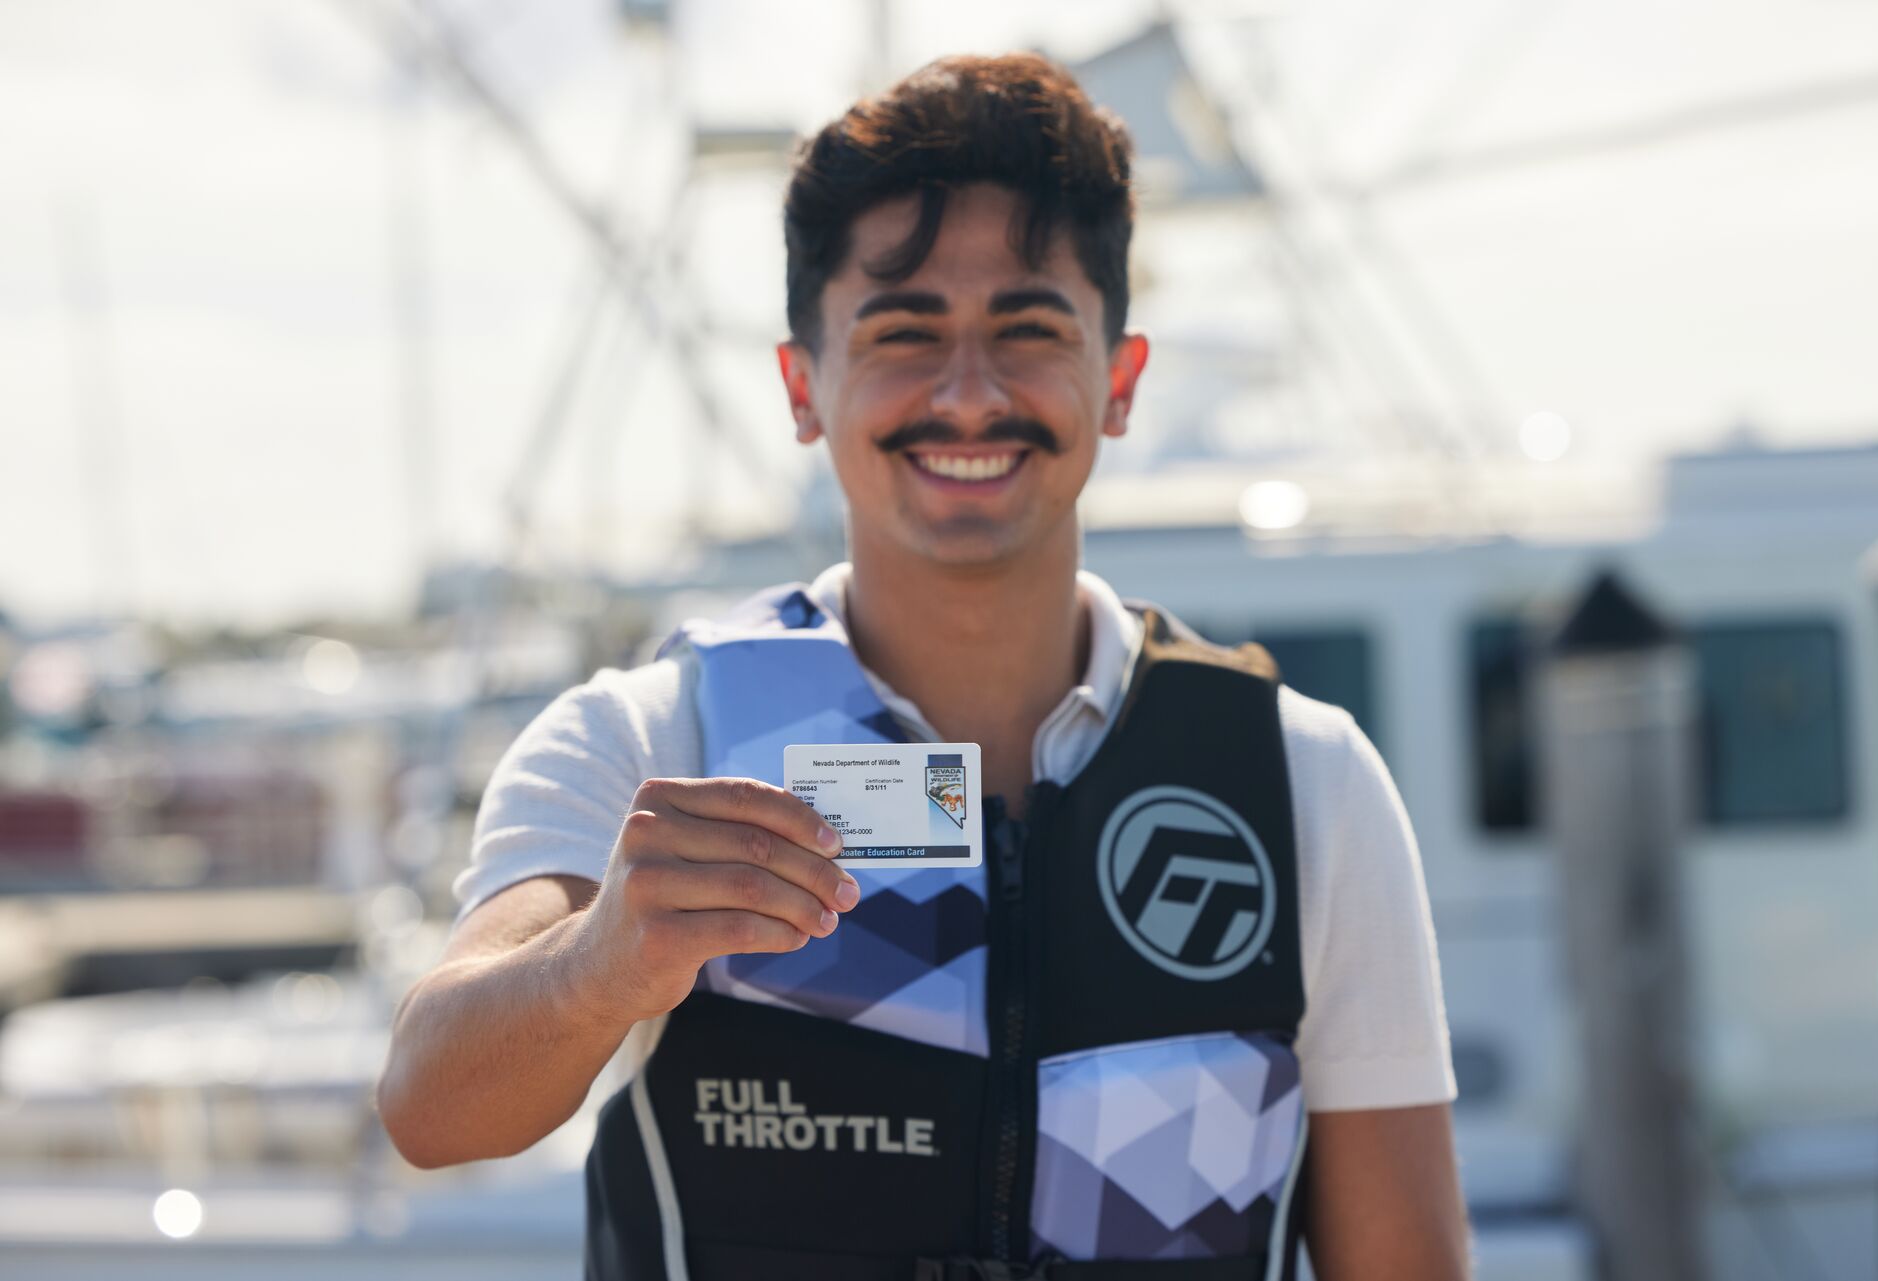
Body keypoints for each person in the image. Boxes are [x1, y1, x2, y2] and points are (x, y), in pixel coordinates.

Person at [378, 52, 1469, 1281]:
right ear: (804, 387)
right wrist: (599, 967)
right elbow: (430, 1106)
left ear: (1119, 381)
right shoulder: (649, 742)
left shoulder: (1300, 779)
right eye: (905, 334)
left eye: (1029, 328)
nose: (968, 394)